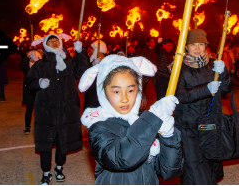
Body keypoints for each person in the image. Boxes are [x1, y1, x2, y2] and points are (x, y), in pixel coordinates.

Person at [79, 55, 184, 184]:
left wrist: (169, 137)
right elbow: (123, 159)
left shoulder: (144, 121)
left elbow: (169, 172)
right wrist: (151, 120)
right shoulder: (99, 128)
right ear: (104, 92)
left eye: (130, 90)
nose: (125, 98)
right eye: (116, 92)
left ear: (138, 91)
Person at [155, 29, 232, 184]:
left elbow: (226, 89)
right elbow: (180, 95)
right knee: (193, 166)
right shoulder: (179, 67)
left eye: (201, 44)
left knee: (209, 162)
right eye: (193, 45)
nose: (197, 48)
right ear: (186, 47)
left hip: (208, 124)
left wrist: (223, 73)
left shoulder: (212, 65)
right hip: (187, 125)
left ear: (206, 46)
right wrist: (206, 89)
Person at [25, 34, 85, 184]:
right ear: (45, 45)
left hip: (66, 110)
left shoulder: (69, 63)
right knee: (45, 142)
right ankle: (46, 173)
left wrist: (81, 52)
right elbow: (29, 84)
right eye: (50, 41)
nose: (53, 42)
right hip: (46, 111)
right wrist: (38, 82)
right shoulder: (40, 65)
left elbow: (83, 69)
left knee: (62, 140)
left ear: (60, 43)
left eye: (56, 40)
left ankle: (59, 167)